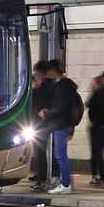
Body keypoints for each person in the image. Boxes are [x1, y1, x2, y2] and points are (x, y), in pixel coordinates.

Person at [38, 59, 79, 195]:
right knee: (60, 154)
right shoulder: (67, 85)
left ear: (53, 70)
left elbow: (61, 107)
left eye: (48, 70)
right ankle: (66, 182)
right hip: (66, 124)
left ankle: (65, 184)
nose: (47, 73)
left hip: (61, 124)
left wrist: (47, 113)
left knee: (60, 155)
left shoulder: (62, 86)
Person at [30, 60, 58, 191]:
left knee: (41, 152)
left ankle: (42, 179)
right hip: (51, 123)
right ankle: (53, 176)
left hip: (41, 124)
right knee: (53, 151)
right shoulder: (54, 86)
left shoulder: (43, 87)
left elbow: (36, 105)